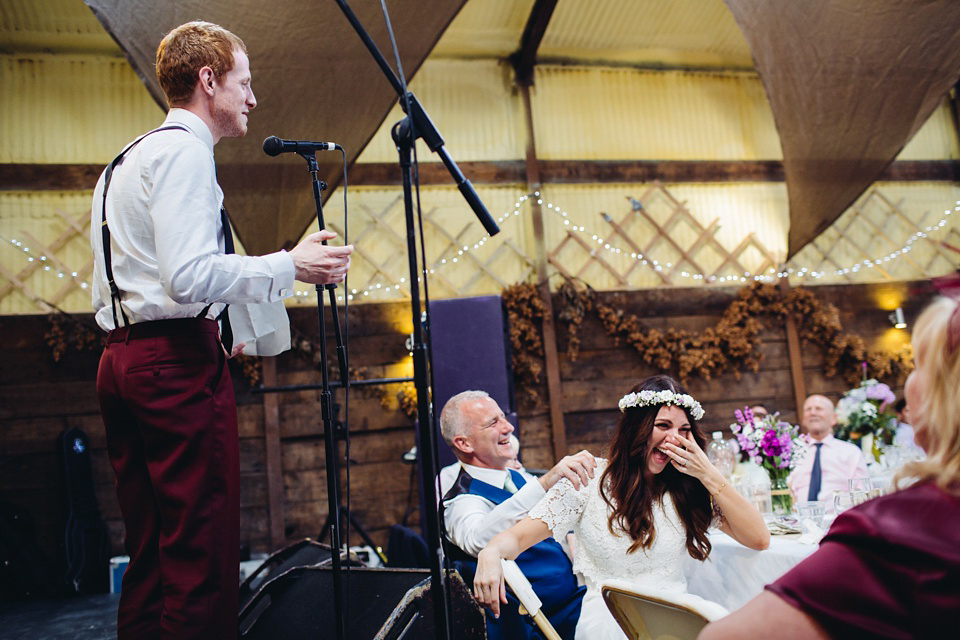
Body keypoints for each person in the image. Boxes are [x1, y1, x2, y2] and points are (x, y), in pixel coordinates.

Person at [89, 22, 353, 639]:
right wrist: (293, 265)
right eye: (244, 82)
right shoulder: (184, 153)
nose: (253, 99)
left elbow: (143, 278)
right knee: (201, 554)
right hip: (173, 366)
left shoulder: (126, 159)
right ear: (209, 82)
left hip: (125, 359)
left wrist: (225, 320)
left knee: (153, 551)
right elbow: (187, 276)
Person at [698, 296, 960, 639]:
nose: (911, 379)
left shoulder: (897, 529)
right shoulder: (790, 451)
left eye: (919, 365)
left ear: (943, 393)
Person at [473, 375, 770, 640]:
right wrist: (490, 552)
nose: (673, 438)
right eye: (663, 426)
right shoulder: (588, 481)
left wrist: (708, 472)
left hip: (676, 621)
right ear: (638, 429)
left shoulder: (686, 490)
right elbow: (516, 538)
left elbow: (758, 538)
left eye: (683, 430)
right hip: (610, 621)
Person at [439, 391, 596, 640]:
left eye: (503, 418)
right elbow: (475, 539)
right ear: (464, 444)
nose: (508, 427)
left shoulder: (519, 478)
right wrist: (544, 484)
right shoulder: (461, 500)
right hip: (534, 625)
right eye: (493, 423)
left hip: (574, 600)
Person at [787, 394, 868, 504]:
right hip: (798, 516)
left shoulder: (851, 452)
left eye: (819, 409)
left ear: (834, 418)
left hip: (839, 516)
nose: (813, 413)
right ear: (803, 419)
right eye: (808, 409)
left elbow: (862, 491)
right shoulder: (792, 451)